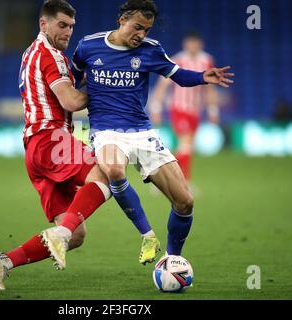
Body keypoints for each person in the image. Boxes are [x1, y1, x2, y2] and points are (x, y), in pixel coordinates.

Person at [70, 0, 233, 264]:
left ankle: (172, 260)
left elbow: (178, 75)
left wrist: (204, 77)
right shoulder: (88, 46)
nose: (141, 35)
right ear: (122, 19)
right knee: (113, 169)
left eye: (146, 29)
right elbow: (73, 80)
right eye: (137, 27)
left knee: (185, 202)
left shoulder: (151, 50)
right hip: (106, 129)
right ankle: (147, 234)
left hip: (142, 131)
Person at [0, 0, 112, 290]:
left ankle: (2, 261)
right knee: (105, 174)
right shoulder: (49, 55)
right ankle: (58, 236)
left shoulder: (34, 53)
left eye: (71, 27)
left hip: (36, 150)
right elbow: (71, 101)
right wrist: (102, 85)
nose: (68, 32)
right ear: (44, 24)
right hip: (50, 139)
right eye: (62, 25)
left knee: (75, 234)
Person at [149, 32, 220, 182]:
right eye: (190, 43)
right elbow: (163, 84)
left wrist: (213, 109)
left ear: (200, 44)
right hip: (179, 108)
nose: (192, 46)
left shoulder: (207, 60)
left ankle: (162, 178)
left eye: (195, 43)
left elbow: (210, 87)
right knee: (186, 144)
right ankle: (183, 182)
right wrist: (156, 107)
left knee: (186, 148)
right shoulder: (178, 60)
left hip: (195, 111)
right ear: (185, 44)